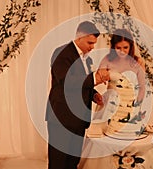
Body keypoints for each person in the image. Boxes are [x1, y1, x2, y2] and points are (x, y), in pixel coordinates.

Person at [46, 21, 109, 169]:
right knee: (58, 162)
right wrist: (96, 78)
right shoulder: (61, 53)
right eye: (90, 43)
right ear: (79, 37)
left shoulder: (88, 59)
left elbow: (82, 85)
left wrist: (94, 95)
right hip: (62, 118)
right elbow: (66, 81)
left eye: (94, 43)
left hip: (79, 119)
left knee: (73, 162)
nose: (92, 47)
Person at [99, 28, 146, 109]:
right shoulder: (107, 59)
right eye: (118, 48)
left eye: (125, 47)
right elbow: (98, 77)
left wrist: (137, 104)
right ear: (113, 47)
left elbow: (142, 87)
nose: (122, 51)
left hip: (130, 104)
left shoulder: (138, 62)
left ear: (130, 46)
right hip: (110, 104)